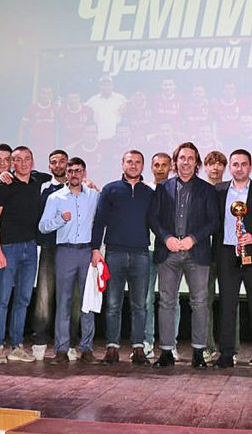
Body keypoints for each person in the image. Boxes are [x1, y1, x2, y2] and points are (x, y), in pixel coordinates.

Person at [148, 142, 219, 368]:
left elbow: (213, 221)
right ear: (175, 161)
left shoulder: (207, 189)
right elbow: (153, 219)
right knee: (166, 302)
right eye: (182, 158)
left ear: (196, 162)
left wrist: (193, 239)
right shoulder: (162, 188)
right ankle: (166, 351)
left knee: (200, 302)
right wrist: (166, 238)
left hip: (196, 253)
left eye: (190, 158)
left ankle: (199, 352)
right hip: (168, 253)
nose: (186, 162)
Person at [214, 150, 252, 371]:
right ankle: (226, 355)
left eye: (243, 164)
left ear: (250, 167)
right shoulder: (218, 191)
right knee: (226, 306)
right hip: (226, 254)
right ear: (230, 167)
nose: (239, 168)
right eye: (235, 164)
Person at [91, 151, 154, 365]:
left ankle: (138, 348)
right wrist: (95, 248)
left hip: (141, 254)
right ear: (122, 164)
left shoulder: (149, 193)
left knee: (140, 305)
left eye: (137, 162)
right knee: (113, 304)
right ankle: (112, 347)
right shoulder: (110, 189)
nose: (133, 165)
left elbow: (156, 222)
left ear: (143, 166)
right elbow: (99, 221)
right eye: (129, 162)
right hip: (114, 253)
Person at [39, 157, 100, 365]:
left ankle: (87, 349)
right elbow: (43, 226)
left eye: (78, 171)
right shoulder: (55, 197)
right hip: (65, 252)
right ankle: (61, 350)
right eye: (71, 171)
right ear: (66, 174)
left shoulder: (93, 195)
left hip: (86, 252)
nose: (74, 174)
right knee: (63, 301)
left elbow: (102, 218)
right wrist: (59, 220)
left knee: (87, 302)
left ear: (84, 173)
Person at [0, 146, 42, 364]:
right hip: (8, 248)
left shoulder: (37, 181)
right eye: (18, 160)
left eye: (27, 159)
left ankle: (17, 346)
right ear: (12, 163)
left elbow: (56, 176)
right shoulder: (4, 186)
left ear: (32, 161)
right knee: (2, 299)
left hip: (31, 247)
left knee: (23, 299)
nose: (24, 163)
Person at [31, 150, 81, 362]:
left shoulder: (82, 189)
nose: (58, 165)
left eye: (62, 162)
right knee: (44, 296)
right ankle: (40, 340)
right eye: (54, 162)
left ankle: (70, 342)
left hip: (72, 249)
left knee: (73, 298)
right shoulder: (43, 187)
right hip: (50, 248)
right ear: (49, 166)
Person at [143, 153, 178, 359]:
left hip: (168, 251)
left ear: (171, 167)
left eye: (164, 165)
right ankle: (147, 342)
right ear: (151, 167)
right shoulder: (144, 189)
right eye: (156, 165)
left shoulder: (176, 190)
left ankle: (170, 344)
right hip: (146, 250)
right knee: (146, 299)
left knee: (171, 299)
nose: (160, 168)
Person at [203, 150, 230, 361]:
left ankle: (231, 349)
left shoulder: (231, 191)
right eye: (211, 163)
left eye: (220, 164)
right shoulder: (200, 190)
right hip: (203, 254)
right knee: (204, 302)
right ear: (205, 167)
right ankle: (208, 347)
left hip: (226, 253)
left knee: (230, 302)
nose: (215, 167)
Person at [86, 75, 126, 140]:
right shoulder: (92, 101)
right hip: (99, 138)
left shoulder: (121, 99)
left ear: (113, 86)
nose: (106, 87)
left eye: (108, 85)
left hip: (116, 138)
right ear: (99, 86)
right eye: (103, 85)